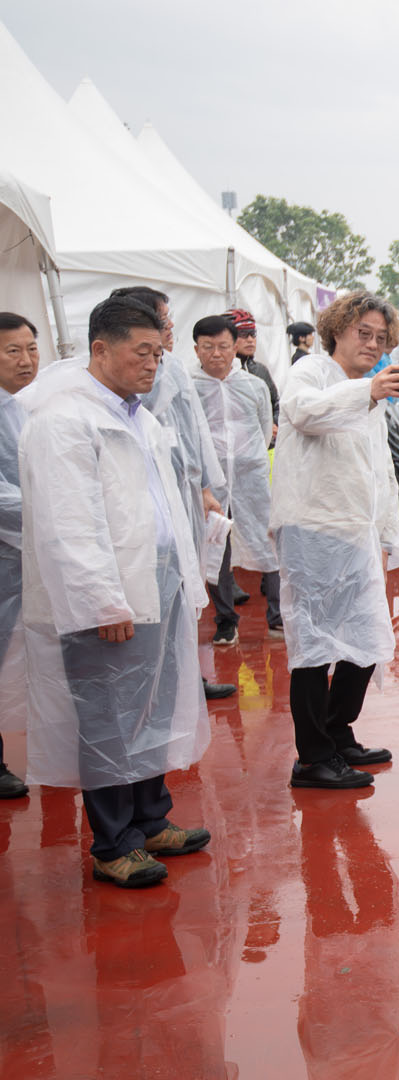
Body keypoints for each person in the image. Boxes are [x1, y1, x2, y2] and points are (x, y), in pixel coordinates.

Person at [18, 296, 211, 887]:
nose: (152, 364)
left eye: (158, 353)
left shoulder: (136, 415)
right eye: (141, 352)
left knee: (151, 706)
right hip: (111, 595)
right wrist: (101, 599)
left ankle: (150, 820)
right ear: (100, 349)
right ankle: (113, 843)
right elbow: (68, 524)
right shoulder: (64, 419)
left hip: (157, 582)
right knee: (109, 716)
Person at [270, 292, 399, 790]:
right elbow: (304, 413)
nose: (372, 344)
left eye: (380, 338)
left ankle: (337, 730)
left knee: (364, 637)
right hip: (314, 531)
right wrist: (367, 392)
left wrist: (387, 536)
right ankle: (312, 757)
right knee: (313, 647)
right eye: (362, 333)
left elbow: (380, 471)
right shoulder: (311, 371)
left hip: (357, 533)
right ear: (336, 331)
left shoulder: (372, 394)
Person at [109, 286, 236, 700]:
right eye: (164, 321)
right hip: (151, 500)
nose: (171, 328)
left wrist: (203, 485)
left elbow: (193, 431)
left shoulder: (174, 368)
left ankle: (187, 679)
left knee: (184, 590)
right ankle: (163, 684)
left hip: (184, 493)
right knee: (154, 593)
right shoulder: (131, 377)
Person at [191, 315, 281, 645]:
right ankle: (226, 620)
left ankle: (277, 616)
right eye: (208, 347)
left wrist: (248, 459)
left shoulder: (254, 385)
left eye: (223, 346)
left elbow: (264, 428)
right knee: (218, 546)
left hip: (250, 477)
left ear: (234, 348)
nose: (216, 353)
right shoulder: (189, 387)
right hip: (210, 483)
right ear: (197, 350)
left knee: (268, 540)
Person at [0, 312, 39, 797]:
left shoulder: (26, 406)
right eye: (13, 351)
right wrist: (49, 507)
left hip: (25, 552)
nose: (26, 360)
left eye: (31, 348)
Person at [226, 308, 278, 435]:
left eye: (253, 333)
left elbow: (276, 404)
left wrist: (274, 423)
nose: (250, 339)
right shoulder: (222, 373)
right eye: (243, 334)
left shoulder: (261, 370)